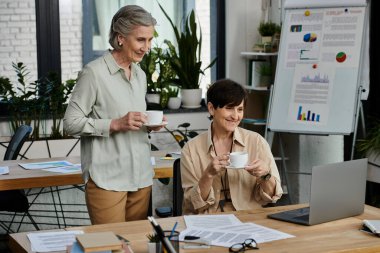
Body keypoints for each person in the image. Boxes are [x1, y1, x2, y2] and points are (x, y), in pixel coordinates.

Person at [63, 5, 164, 224]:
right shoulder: (94, 73)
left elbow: (131, 120)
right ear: (120, 38)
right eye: (140, 40)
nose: (146, 47)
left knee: (137, 246)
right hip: (107, 179)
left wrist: (148, 124)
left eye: (149, 40)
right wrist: (114, 124)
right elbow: (70, 123)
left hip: (141, 177)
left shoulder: (140, 74)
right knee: (111, 245)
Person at [181, 79, 283, 214]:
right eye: (229, 108)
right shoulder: (191, 149)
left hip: (249, 218)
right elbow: (191, 204)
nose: (236, 116)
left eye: (240, 109)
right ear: (211, 108)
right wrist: (208, 175)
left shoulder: (256, 141)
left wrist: (265, 175)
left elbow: (272, 197)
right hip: (209, 220)